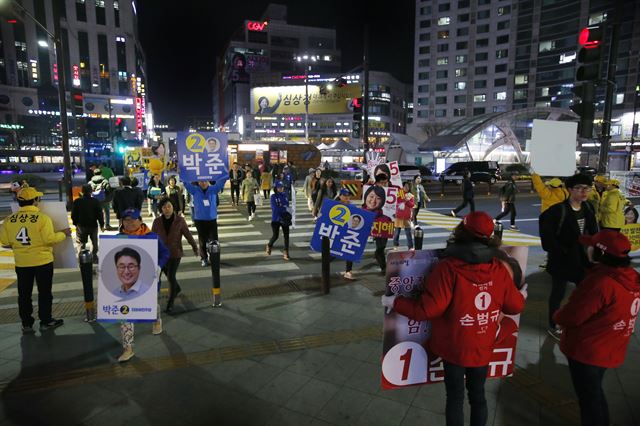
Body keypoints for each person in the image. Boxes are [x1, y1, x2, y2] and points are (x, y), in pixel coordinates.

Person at [382, 211, 526, 426]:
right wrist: (521, 294)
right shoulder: (497, 269)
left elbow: (427, 310)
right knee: (478, 397)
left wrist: (393, 302)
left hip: (453, 348)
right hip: (482, 346)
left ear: (461, 232)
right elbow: (515, 306)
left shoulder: (447, 268)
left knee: (455, 398)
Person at [554, 230, 640, 426]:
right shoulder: (630, 277)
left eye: (591, 246)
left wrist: (557, 315)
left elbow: (573, 316)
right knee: (594, 392)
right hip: (611, 345)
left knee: (589, 399)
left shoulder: (601, 283)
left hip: (588, 350)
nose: (587, 249)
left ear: (600, 254)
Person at [0, 187, 71, 333]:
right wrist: (63, 234)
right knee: (44, 292)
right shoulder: (42, 218)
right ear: (34, 201)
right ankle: (46, 321)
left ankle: (26, 323)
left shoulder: (9, 220)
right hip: (42, 261)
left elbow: (4, 241)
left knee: (24, 294)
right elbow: (49, 239)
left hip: (22, 263)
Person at [540, 173, 599, 341]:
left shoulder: (588, 208)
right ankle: (553, 324)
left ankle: (577, 320)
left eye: (587, 188)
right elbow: (548, 240)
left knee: (584, 293)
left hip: (583, 259)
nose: (583, 192)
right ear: (570, 190)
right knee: (558, 293)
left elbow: (594, 232)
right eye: (579, 188)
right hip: (562, 260)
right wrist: (563, 252)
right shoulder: (558, 211)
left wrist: (593, 251)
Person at [117, 208, 169, 362]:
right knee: (125, 314)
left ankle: (156, 319)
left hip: (148, 280)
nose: (130, 222)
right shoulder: (119, 238)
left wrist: (159, 266)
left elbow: (165, 253)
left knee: (152, 304)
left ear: (140, 220)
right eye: (126, 220)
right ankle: (128, 348)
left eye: (133, 219)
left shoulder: (151, 236)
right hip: (126, 283)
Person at [152, 199, 198, 313]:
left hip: (175, 253)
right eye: (164, 207)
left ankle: (170, 302)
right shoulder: (157, 221)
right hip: (161, 254)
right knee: (163, 276)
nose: (167, 209)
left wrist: (195, 248)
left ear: (173, 207)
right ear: (161, 209)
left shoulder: (180, 221)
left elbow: (188, 235)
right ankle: (176, 288)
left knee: (171, 277)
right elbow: (152, 237)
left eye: (169, 206)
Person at [185, 177, 227, 267]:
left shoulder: (213, 189)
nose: (203, 183)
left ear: (208, 181)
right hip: (200, 220)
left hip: (212, 220)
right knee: (202, 241)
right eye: (201, 181)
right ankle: (204, 258)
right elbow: (186, 183)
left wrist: (225, 169)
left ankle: (214, 257)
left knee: (214, 241)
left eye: (205, 181)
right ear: (198, 182)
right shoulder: (195, 190)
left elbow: (222, 181)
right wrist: (181, 172)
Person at [363, 174, 392, 274]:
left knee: (381, 247)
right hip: (370, 224)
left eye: (386, 183)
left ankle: (380, 259)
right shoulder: (371, 188)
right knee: (380, 248)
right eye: (382, 183)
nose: (385, 184)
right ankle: (383, 267)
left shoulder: (385, 217)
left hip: (383, 226)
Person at [71, 184, 104, 261]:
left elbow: (73, 214)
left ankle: (81, 258)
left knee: (81, 243)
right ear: (91, 191)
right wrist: (102, 224)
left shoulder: (77, 201)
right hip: (93, 225)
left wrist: (76, 223)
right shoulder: (95, 201)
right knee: (94, 242)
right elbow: (100, 214)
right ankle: (94, 256)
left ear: (82, 191)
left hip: (81, 225)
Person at [266, 181, 290, 261]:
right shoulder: (273, 196)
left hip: (285, 218)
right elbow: (274, 208)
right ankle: (269, 245)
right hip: (276, 219)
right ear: (276, 188)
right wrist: (283, 208)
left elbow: (287, 205)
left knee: (286, 236)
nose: (281, 188)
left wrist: (282, 207)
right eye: (279, 187)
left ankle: (286, 252)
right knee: (275, 236)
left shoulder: (285, 195)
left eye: (282, 187)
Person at [335, 188, 356, 280]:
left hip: (348, 232)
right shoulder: (334, 205)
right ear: (340, 196)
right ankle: (325, 269)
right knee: (333, 252)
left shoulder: (353, 206)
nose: (347, 197)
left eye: (348, 195)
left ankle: (348, 271)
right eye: (345, 195)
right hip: (337, 232)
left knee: (349, 250)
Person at [393, 182, 414, 250]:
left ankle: (410, 246)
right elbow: (396, 202)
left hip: (407, 216)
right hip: (398, 216)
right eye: (405, 186)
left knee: (408, 232)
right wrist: (402, 198)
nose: (406, 188)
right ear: (403, 187)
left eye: (408, 187)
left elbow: (412, 205)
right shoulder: (399, 193)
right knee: (397, 232)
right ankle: (395, 245)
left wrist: (407, 200)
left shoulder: (410, 195)